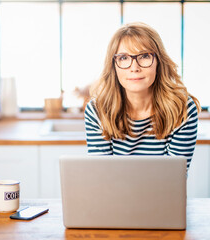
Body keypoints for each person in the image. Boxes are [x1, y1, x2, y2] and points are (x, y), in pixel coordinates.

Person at [84, 22, 201, 171]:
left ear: (159, 61)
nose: (134, 68)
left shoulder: (182, 109)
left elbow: (172, 179)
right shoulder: (97, 110)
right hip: (114, 194)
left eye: (144, 56)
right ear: (113, 66)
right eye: (123, 58)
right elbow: (102, 176)